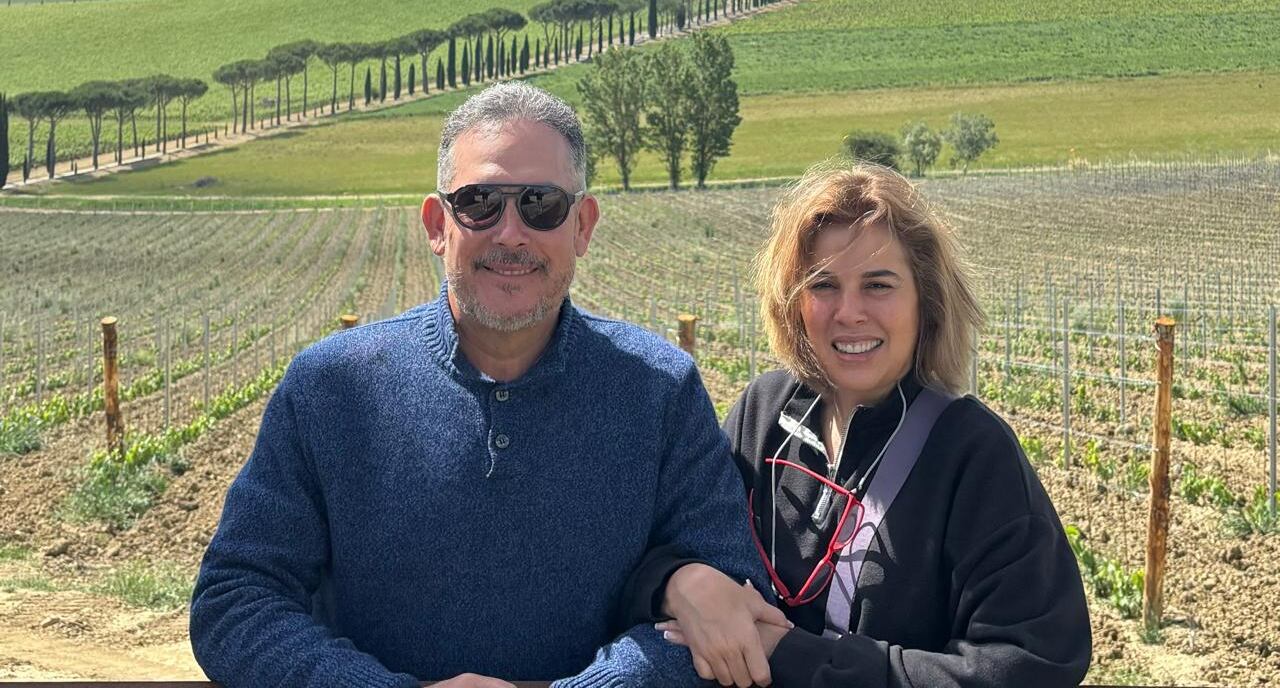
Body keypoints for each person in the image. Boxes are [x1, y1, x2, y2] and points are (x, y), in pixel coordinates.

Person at [189, 81, 770, 688]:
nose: (510, 234)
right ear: (438, 225)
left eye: (540, 204)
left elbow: (728, 593)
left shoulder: (660, 389)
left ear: (583, 225)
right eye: (480, 202)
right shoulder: (330, 390)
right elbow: (236, 601)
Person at [621, 162, 1092, 687]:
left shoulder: (973, 454)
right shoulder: (764, 412)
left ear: (926, 301)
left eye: (878, 284)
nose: (849, 312)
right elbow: (652, 546)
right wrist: (676, 582)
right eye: (823, 285)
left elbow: (1032, 664)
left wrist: (793, 655)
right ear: (794, 303)